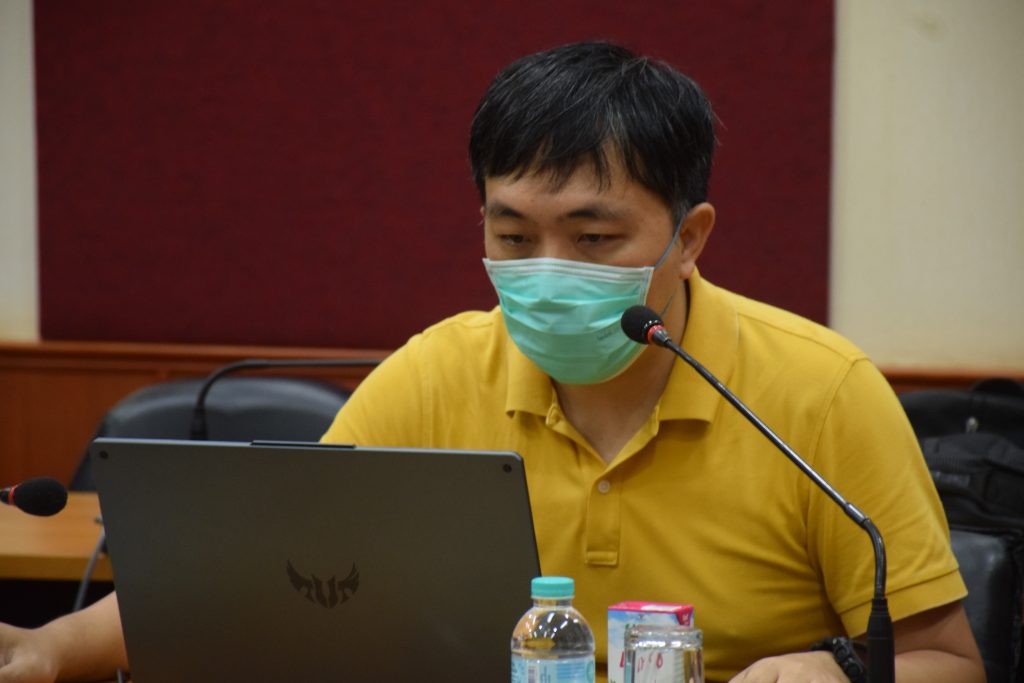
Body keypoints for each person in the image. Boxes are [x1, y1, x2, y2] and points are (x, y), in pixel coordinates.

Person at [0, 42, 983, 683]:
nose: (545, 270)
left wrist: (836, 670)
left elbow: (948, 659)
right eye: (512, 235)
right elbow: (252, 579)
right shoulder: (436, 374)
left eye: (593, 238)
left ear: (689, 237)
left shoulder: (820, 390)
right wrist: (48, 647)